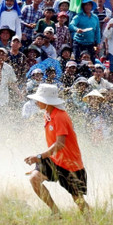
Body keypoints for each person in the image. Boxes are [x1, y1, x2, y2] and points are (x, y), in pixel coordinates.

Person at [24, 84, 90, 214]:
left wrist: (38, 157)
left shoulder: (60, 116)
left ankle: (93, 224)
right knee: (34, 178)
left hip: (70, 164)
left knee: (78, 200)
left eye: (39, 99)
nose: (37, 102)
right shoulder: (48, 114)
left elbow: (60, 144)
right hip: (54, 160)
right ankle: (55, 213)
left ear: (47, 101)